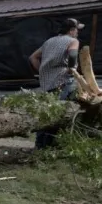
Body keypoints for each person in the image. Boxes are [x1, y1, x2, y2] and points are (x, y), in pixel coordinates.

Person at [29, 18, 83, 149]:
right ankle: (50, 146)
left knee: (47, 111)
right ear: (71, 30)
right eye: (77, 30)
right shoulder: (73, 41)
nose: (77, 33)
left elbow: (33, 57)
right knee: (59, 113)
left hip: (47, 83)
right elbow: (72, 57)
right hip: (63, 80)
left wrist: (43, 70)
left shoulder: (49, 41)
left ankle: (40, 144)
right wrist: (72, 69)